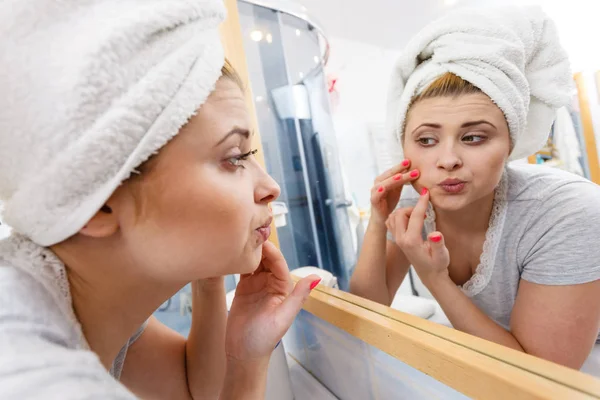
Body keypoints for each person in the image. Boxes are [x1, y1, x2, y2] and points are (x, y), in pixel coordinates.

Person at [0, 1, 320, 398]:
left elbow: (193, 390)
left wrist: (246, 355)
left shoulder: (77, 301)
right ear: (100, 202)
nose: (270, 186)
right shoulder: (30, 374)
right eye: (235, 157)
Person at [350, 6, 600, 374]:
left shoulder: (566, 212)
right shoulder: (415, 200)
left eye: (473, 137)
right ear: (403, 146)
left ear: (510, 143)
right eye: (427, 139)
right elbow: (366, 313)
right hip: (494, 363)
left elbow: (541, 382)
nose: (447, 159)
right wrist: (377, 221)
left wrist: (434, 278)